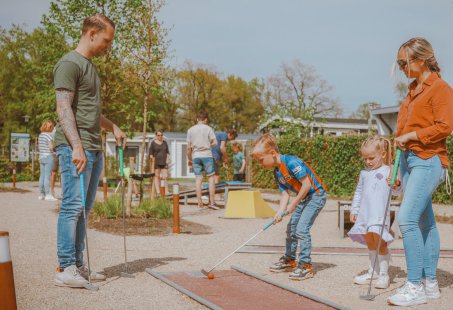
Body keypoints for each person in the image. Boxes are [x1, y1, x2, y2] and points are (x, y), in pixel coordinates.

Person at [53, 14, 126, 288]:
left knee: (84, 209)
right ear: (92, 33)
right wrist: (77, 146)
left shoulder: (90, 67)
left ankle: (79, 265)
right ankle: (65, 267)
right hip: (77, 147)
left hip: (93, 146)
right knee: (72, 206)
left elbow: (90, 112)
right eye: (107, 40)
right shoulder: (69, 64)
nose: (109, 46)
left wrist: (113, 126)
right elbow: (63, 109)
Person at [387, 37, 453, 307]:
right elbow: (401, 132)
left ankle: (414, 286)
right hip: (409, 161)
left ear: (421, 59)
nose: (401, 68)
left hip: (429, 160)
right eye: (400, 63)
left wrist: (414, 134)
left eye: (404, 62)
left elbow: (445, 126)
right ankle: (429, 284)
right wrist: (398, 168)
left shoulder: (440, 89)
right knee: (425, 223)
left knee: (407, 219)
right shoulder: (412, 91)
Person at [251, 133, 326, 280]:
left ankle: (305, 265)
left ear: (272, 153)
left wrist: (293, 204)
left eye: (261, 160)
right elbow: (285, 194)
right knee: (291, 229)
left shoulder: (292, 162)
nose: (261, 164)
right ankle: (290, 260)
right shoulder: (277, 172)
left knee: (301, 229)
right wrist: (279, 212)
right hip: (304, 198)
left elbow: (306, 185)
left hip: (315, 195)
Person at [348, 136, 396, 290]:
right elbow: (359, 192)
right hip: (365, 214)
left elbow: (396, 190)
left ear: (382, 154)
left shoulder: (389, 170)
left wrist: (395, 183)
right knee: (370, 242)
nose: (368, 162)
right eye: (365, 159)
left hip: (380, 214)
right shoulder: (364, 173)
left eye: (371, 158)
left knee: (380, 242)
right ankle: (373, 271)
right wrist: (354, 209)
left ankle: (383, 274)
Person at [187, 111, 218, 209]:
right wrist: (208, 144)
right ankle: (212, 202)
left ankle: (199, 202)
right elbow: (215, 142)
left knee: (198, 179)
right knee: (211, 178)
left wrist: (189, 158)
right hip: (207, 155)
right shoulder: (208, 128)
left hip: (195, 155)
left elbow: (188, 147)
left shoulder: (190, 130)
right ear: (206, 120)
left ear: (197, 119)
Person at [38, 120, 57, 201]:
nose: (53, 129)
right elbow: (51, 147)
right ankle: (48, 194)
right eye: (52, 127)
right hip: (48, 157)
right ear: (49, 127)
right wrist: (55, 152)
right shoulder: (49, 136)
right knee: (47, 176)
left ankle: (41, 194)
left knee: (42, 176)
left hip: (41, 157)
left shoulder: (40, 135)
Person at [149, 130, 170, 195]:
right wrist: (152, 160)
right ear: (156, 136)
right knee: (157, 176)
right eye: (158, 135)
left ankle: (166, 191)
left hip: (164, 162)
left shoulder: (165, 143)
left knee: (165, 176)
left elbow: (167, 152)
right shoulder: (153, 143)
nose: (160, 136)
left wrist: (168, 159)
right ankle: (158, 191)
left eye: (161, 135)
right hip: (156, 162)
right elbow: (151, 154)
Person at [50, 126, 59, 198]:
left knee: (64, 172)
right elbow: (51, 140)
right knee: (54, 172)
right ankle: (52, 190)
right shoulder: (55, 129)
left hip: (65, 152)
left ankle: (65, 191)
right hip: (56, 153)